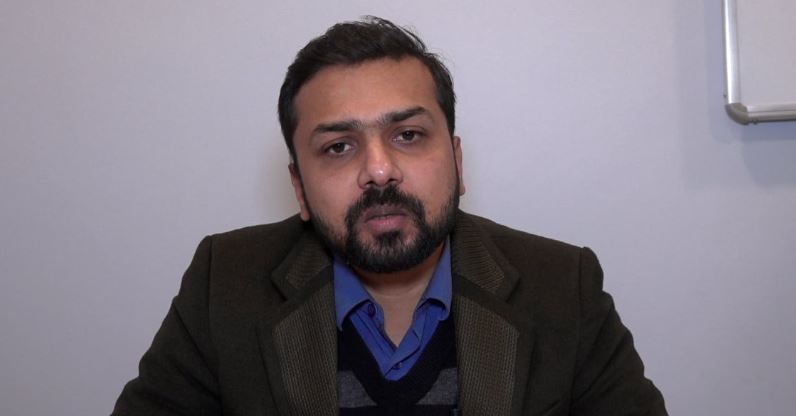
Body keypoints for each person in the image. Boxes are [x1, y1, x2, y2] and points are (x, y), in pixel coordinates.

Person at [112, 16, 667, 415]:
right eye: (339, 147)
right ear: (299, 188)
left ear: (457, 161)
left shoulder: (563, 288)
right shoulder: (224, 285)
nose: (379, 171)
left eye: (408, 135)